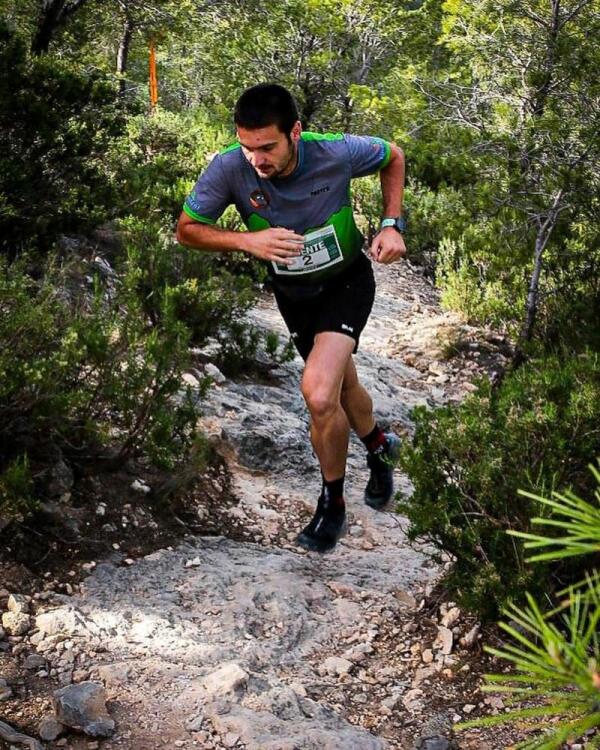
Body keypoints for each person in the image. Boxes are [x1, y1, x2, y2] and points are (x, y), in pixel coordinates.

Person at [176, 83, 407, 553]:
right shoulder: (229, 168)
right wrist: (247, 242)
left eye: (267, 147)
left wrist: (391, 223)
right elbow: (186, 230)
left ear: (295, 133)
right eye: (247, 147)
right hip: (294, 294)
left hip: (346, 282)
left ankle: (332, 504)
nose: (256, 160)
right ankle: (380, 448)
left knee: (319, 393)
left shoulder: (336, 152)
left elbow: (393, 155)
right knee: (342, 389)